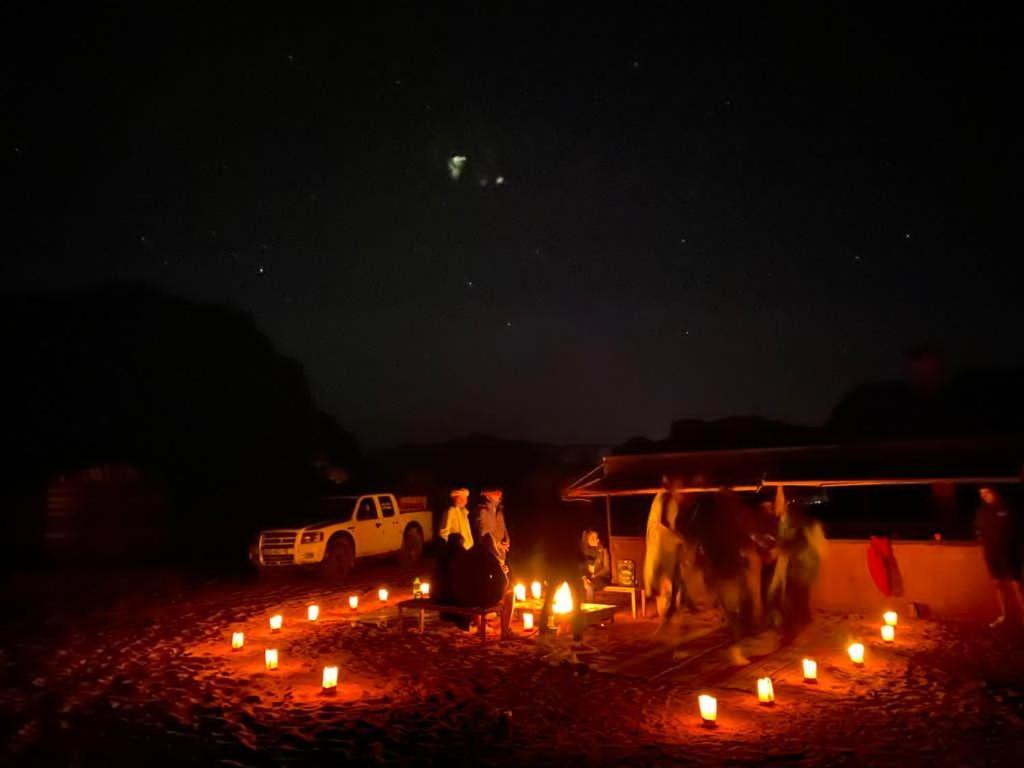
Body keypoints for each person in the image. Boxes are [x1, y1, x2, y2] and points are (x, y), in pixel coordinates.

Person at [767, 486, 826, 644]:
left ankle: (792, 631)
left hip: (800, 567)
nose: (775, 505)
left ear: (785, 503)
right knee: (788, 599)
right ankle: (795, 627)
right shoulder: (785, 518)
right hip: (794, 566)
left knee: (788, 599)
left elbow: (800, 541)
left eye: (778, 501)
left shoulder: (795, 518)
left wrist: (781, 549)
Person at [643, 475, 695, 631]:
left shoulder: (667, 501)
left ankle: (668, 620)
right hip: (663, 549)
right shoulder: (664, 499)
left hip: (668, 548)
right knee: (667, 586)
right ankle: (666, 621)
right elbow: (664, 524)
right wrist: (680, 539)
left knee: (675, 584)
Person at [975, 486, 1024, 628]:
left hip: (1009, 553)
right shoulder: (982, 511)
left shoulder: (1008, 508)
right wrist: (979, 536)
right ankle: (1004, 616)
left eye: (987, 492)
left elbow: (1018, 530)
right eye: (982, 494)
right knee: (998, 585)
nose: (984, 496)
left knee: (1017, 586)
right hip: (992, 554)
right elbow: (978, 529)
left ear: (995, 492)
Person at [473, 488, 510, 567]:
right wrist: (497, 544)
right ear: (488, 496)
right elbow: (484, 533)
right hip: (490, 553)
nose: (499, 495)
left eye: (500, 494)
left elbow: (503, 527)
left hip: (501, 552)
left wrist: (507, 539)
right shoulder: (483, 511)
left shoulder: (499, 511)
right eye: (496, 494)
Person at [580, 529, 611, 601]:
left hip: (601, 578)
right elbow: (581, 568)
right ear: (587, 540)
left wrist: (594, 576)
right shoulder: (583, 552)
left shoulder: (603, 550)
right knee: (575, 584)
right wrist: (585, 578)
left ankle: (590, 608)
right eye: (593, 538)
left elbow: (607, 569)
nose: (597, 540)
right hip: (587, 578)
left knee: (590, 586)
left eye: (597, 538)